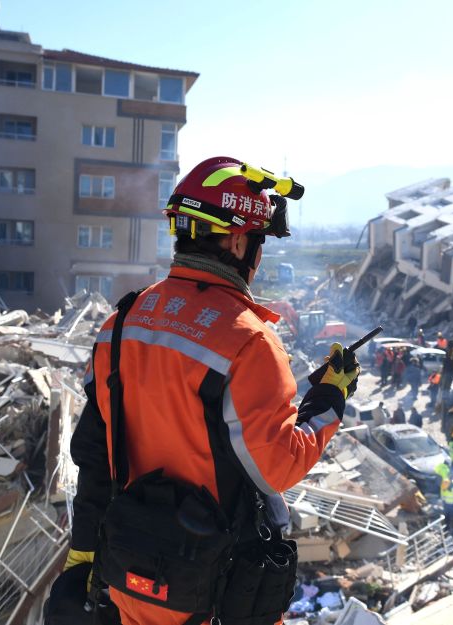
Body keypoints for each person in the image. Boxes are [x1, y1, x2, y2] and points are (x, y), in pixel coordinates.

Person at [64, 157, 360, 625]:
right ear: (239, 239)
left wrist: (82, 551)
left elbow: (93, 452)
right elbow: (277, 467)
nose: (258, 257)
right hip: (208, 593)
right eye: (259, 242)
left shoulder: (119, 324)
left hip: (129, 577)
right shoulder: (249, 341)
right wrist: (328, 402)